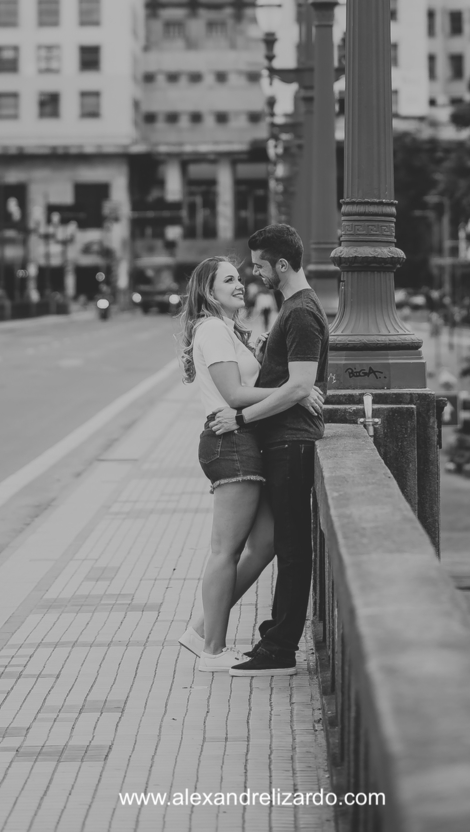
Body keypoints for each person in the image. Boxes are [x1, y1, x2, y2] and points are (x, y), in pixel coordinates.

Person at [175, 255, 324, 673]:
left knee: (264, 545)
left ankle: (201, 628)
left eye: (239, 278)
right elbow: (235, 394)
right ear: (209, 292)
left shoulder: (228, 331)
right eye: (229, 280)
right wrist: (298, 391)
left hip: (243, 441)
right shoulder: (212, 330)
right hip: (230, 441)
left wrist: (287, 383)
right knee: (226, 550)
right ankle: (213, 651)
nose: (240, 284)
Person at [210, 223, 329, 676]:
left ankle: (279, 649)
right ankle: (277, 635)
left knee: (293, 547)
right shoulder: (297, 308)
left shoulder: (300, 312)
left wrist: (240, 417)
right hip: (286, 439)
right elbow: (298, 382)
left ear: (281, 265)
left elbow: (299, 385)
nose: (254, 274)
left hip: (291, 441)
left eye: (259, 265)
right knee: (287, 543)